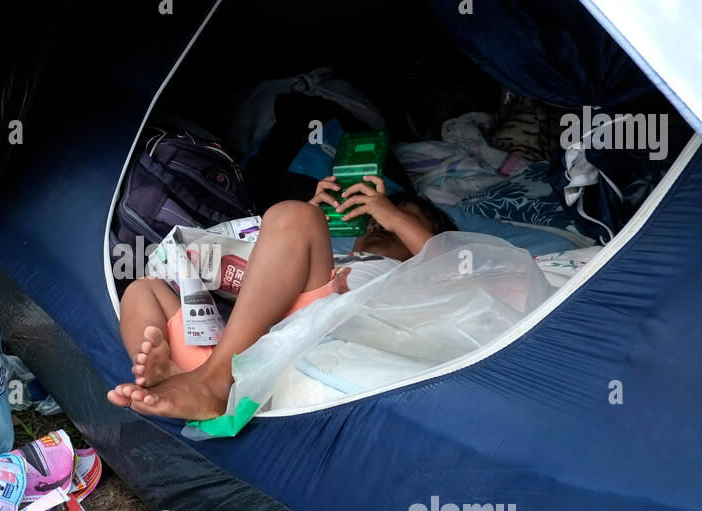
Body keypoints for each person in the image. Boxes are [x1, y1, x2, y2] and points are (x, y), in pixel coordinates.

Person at [107, 176, 456, 420]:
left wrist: (390, 214)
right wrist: (299, 222)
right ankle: (175, 372)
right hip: (249, 344)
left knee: (297, 217)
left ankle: (213, 382)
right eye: (375, 218)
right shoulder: (338, 253)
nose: (379, 222)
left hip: (316, 325)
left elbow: (453, 261)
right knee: (143, 289)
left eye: (402, 220)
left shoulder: (414, 270)